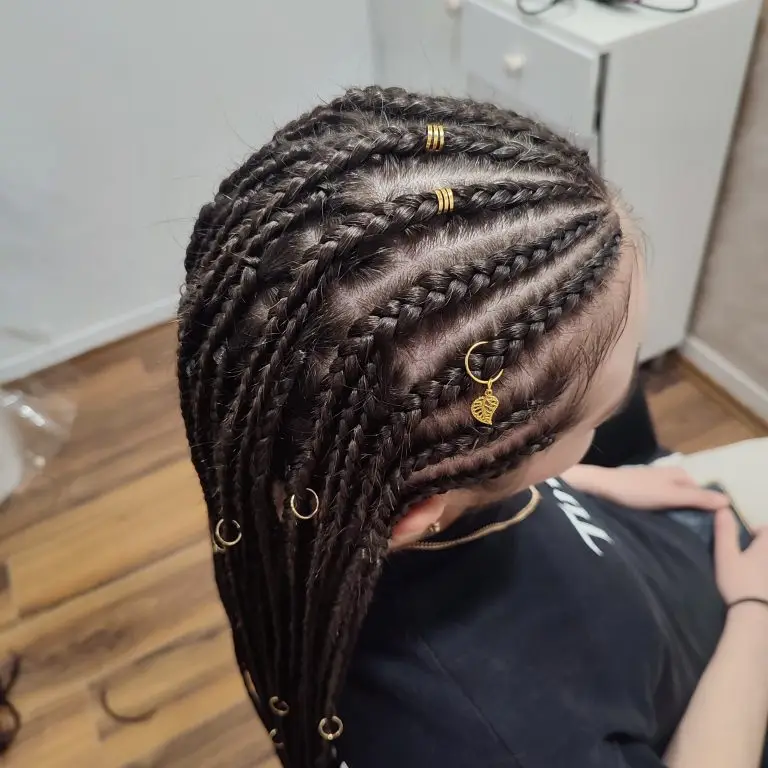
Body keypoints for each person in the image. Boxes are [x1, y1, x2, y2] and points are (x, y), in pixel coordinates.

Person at [177, 87, 768, 768]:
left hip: (671, 551)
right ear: (425, 506)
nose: (631, 388)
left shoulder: (360, 488)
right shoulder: (488, 736)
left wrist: (596, 482)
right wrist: (752, 613)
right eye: (597, 411)